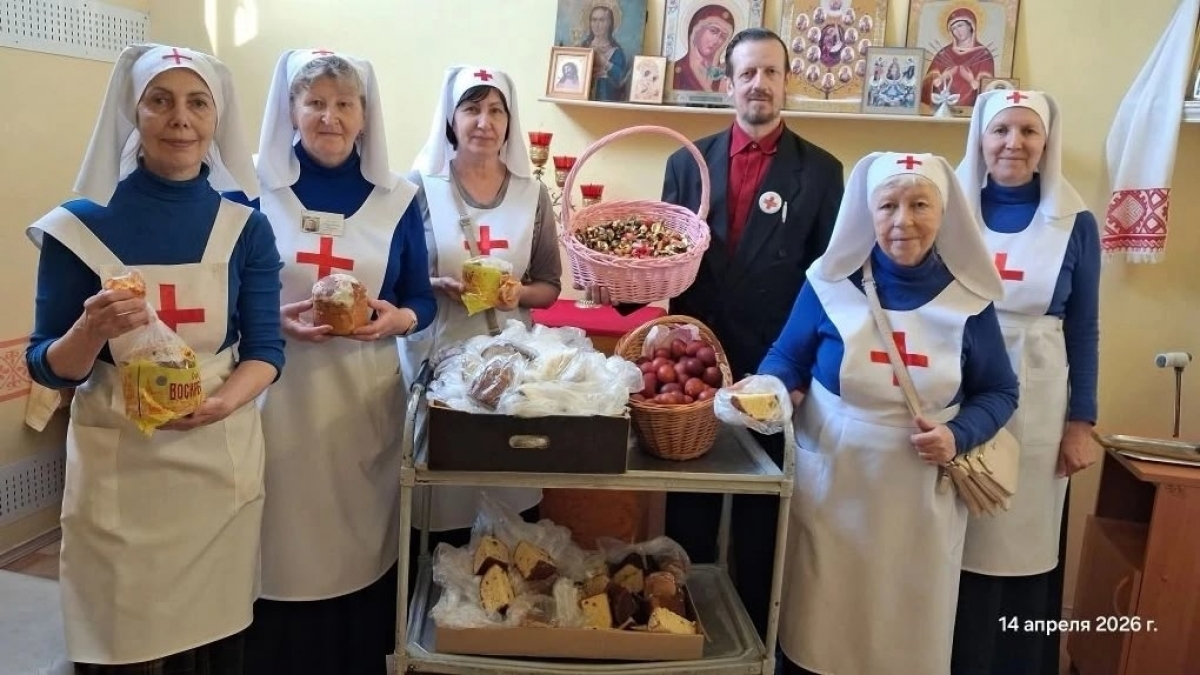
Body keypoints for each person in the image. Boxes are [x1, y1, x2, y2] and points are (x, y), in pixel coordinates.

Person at [24, 43, 281, 673]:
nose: (180, 119)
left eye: (198, 103)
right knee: (120, 644)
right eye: (159, 101)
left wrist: (223, 402)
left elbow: (266, 350)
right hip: (121, 475)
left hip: (217, 471)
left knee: (213, 645)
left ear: (217, 118)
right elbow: (45, 363)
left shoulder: (245, 226)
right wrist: (89, 330)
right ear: (133, 113)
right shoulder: (79, 227)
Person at [759, 151, 1018, 675]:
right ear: (867, 214)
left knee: (905, 634)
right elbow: (786, 357)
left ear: (943, 213)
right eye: (888, 206)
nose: (904, 221)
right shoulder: (829, 285)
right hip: (836, 489)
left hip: (921, 500)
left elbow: (1000, 391)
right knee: (823, 629)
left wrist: (958, 434)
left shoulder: (969, 301)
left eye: (920, 205)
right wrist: (767, 388)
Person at [224, 49, 436, 675]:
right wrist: (272, 320)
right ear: (290, 109)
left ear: (365, 115)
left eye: (344, 104)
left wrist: (398, 320)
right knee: (277, 544)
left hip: (360, 403)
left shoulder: (398, 197)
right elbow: (221, 293)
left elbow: (421, 297)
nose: (330, 117)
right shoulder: (251, 191)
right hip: (274, 399)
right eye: (314, 102)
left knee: (356, 544)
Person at [653, 27, 845, 639]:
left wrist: (804, 372)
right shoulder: (685, 164)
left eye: (771, 72)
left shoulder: (822, 173)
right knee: (690, 515)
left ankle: (757, 643)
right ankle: (680, 636)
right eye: (747, 73)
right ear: (726, 83)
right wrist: (627, 292)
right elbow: (666, 260)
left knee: (764, 519)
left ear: (786, 82)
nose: (759, 84)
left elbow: (831, 286)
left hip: (777, 369)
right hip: (694, 368)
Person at [950, 90, 1101, 675]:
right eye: (1001, 130)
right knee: (955, 537)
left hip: (1038, 397)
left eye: (1028, 131)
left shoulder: (1075, 222)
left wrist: (1081, 423)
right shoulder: (949, 208)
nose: (1013, 143)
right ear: (981, 139)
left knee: (1019, 541)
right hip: (959, 393)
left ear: (1046, 142)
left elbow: (1084, 327)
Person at [402, 65, 562, 588]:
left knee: (508, 495)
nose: (483, 122)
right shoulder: (419, 188)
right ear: (451, 119)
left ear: (510, 122)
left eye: (496, 110)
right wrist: (436, 283)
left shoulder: (532, 194)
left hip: (511, 374)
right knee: (442, 499)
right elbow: (398, 278)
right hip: (439, 361)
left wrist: (519, 293)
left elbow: (549, 285)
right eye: (471, 109)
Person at [920, 7, 994, 108]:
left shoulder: (983, 54)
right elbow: (927, 84)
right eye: (953, 28)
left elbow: (988, 88)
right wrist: (942, 77)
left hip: (970, 110)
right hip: (941, 109)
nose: (957, 31)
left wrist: (970, 79)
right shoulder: (944, 53)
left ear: (970, 26)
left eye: (960, 25)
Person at [671, 4, 735, 92]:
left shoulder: (724, 76)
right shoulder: (675, 70)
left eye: (723, 37)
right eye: (713, 31)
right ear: (697, 29)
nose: (717, 40)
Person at [581, 3, 630, 101]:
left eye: (602, 20)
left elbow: (622, 79)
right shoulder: (584, 47)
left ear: (609, 23)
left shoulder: (616, 52)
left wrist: (605, 63)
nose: (597, 25)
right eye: (594, 20)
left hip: (606, 99)